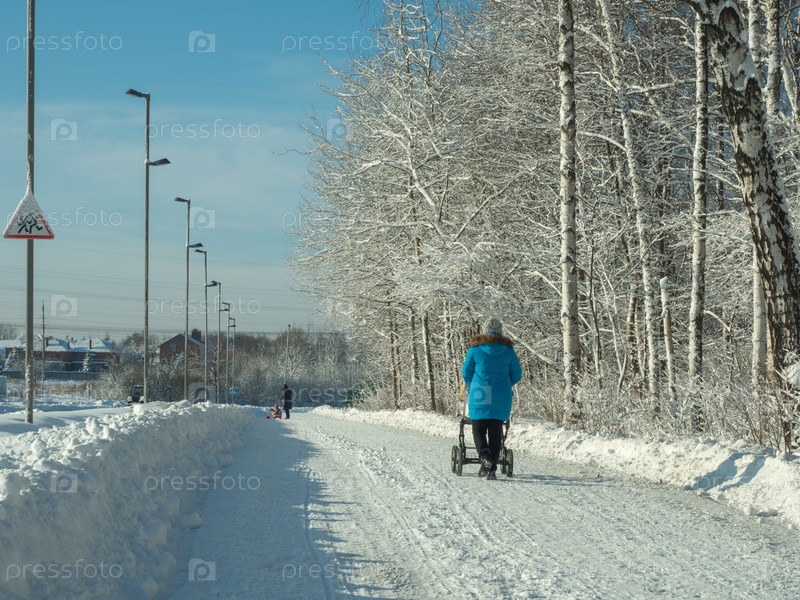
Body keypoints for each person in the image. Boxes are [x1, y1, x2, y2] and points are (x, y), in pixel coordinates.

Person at [462, 317, 522, 480]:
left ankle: (484, 457)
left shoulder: (475, 349)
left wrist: (472, 385)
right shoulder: (508, 350)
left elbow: (466, 372)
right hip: (501, 392)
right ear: (500, 331)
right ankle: (492, 468)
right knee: (495, 430)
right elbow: (517, 373)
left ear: (484, 331)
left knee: (478, 427)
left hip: (480, 390)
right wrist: (505, 384)